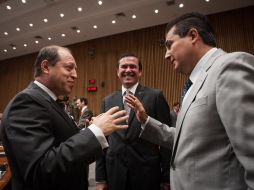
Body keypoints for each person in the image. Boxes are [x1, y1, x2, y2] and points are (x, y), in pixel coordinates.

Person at [125, 12, 254, 190]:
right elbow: (184, 139)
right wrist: (145, 120)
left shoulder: (228, 67)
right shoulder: (194, 84)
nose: (166, 55)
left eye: (169, 45)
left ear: (193, 36)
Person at [0, 45, 128, 190]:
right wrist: (95, 132)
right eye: (69, 68)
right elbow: (41, 169)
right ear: (46, 67)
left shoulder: (48, 101)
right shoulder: (26, 102)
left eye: (75, 69)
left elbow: (58, 142)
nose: (75, 75)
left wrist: (86, 131)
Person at [96, 53, 172, 190]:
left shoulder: (155, 96)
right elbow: (102, 141)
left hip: (147, 173)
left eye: (133, 66)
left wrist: (166, 177)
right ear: (117, 72)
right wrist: (100, 178)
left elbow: (166, 140)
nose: (128, 70)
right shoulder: (107, 101)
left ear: (140, 72)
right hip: (115, 173)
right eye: (124, 66)